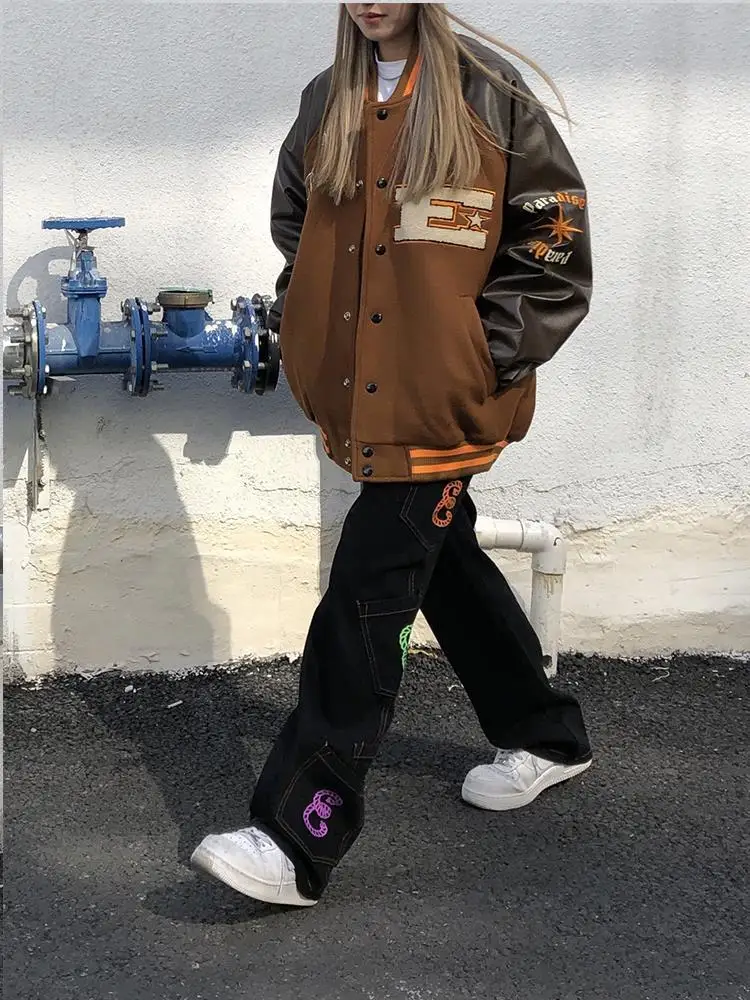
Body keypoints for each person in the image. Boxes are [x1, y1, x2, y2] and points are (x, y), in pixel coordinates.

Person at [192, 2, 593, 908]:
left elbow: (554, 240)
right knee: (439, 563)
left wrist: (479, 356)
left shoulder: (488, 93)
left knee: (366, 600)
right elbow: (299, 227)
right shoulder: (328, 96)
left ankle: (297, 836)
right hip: (367, 394)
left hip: (446, 404)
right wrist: (309, 320)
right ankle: (548, 734)